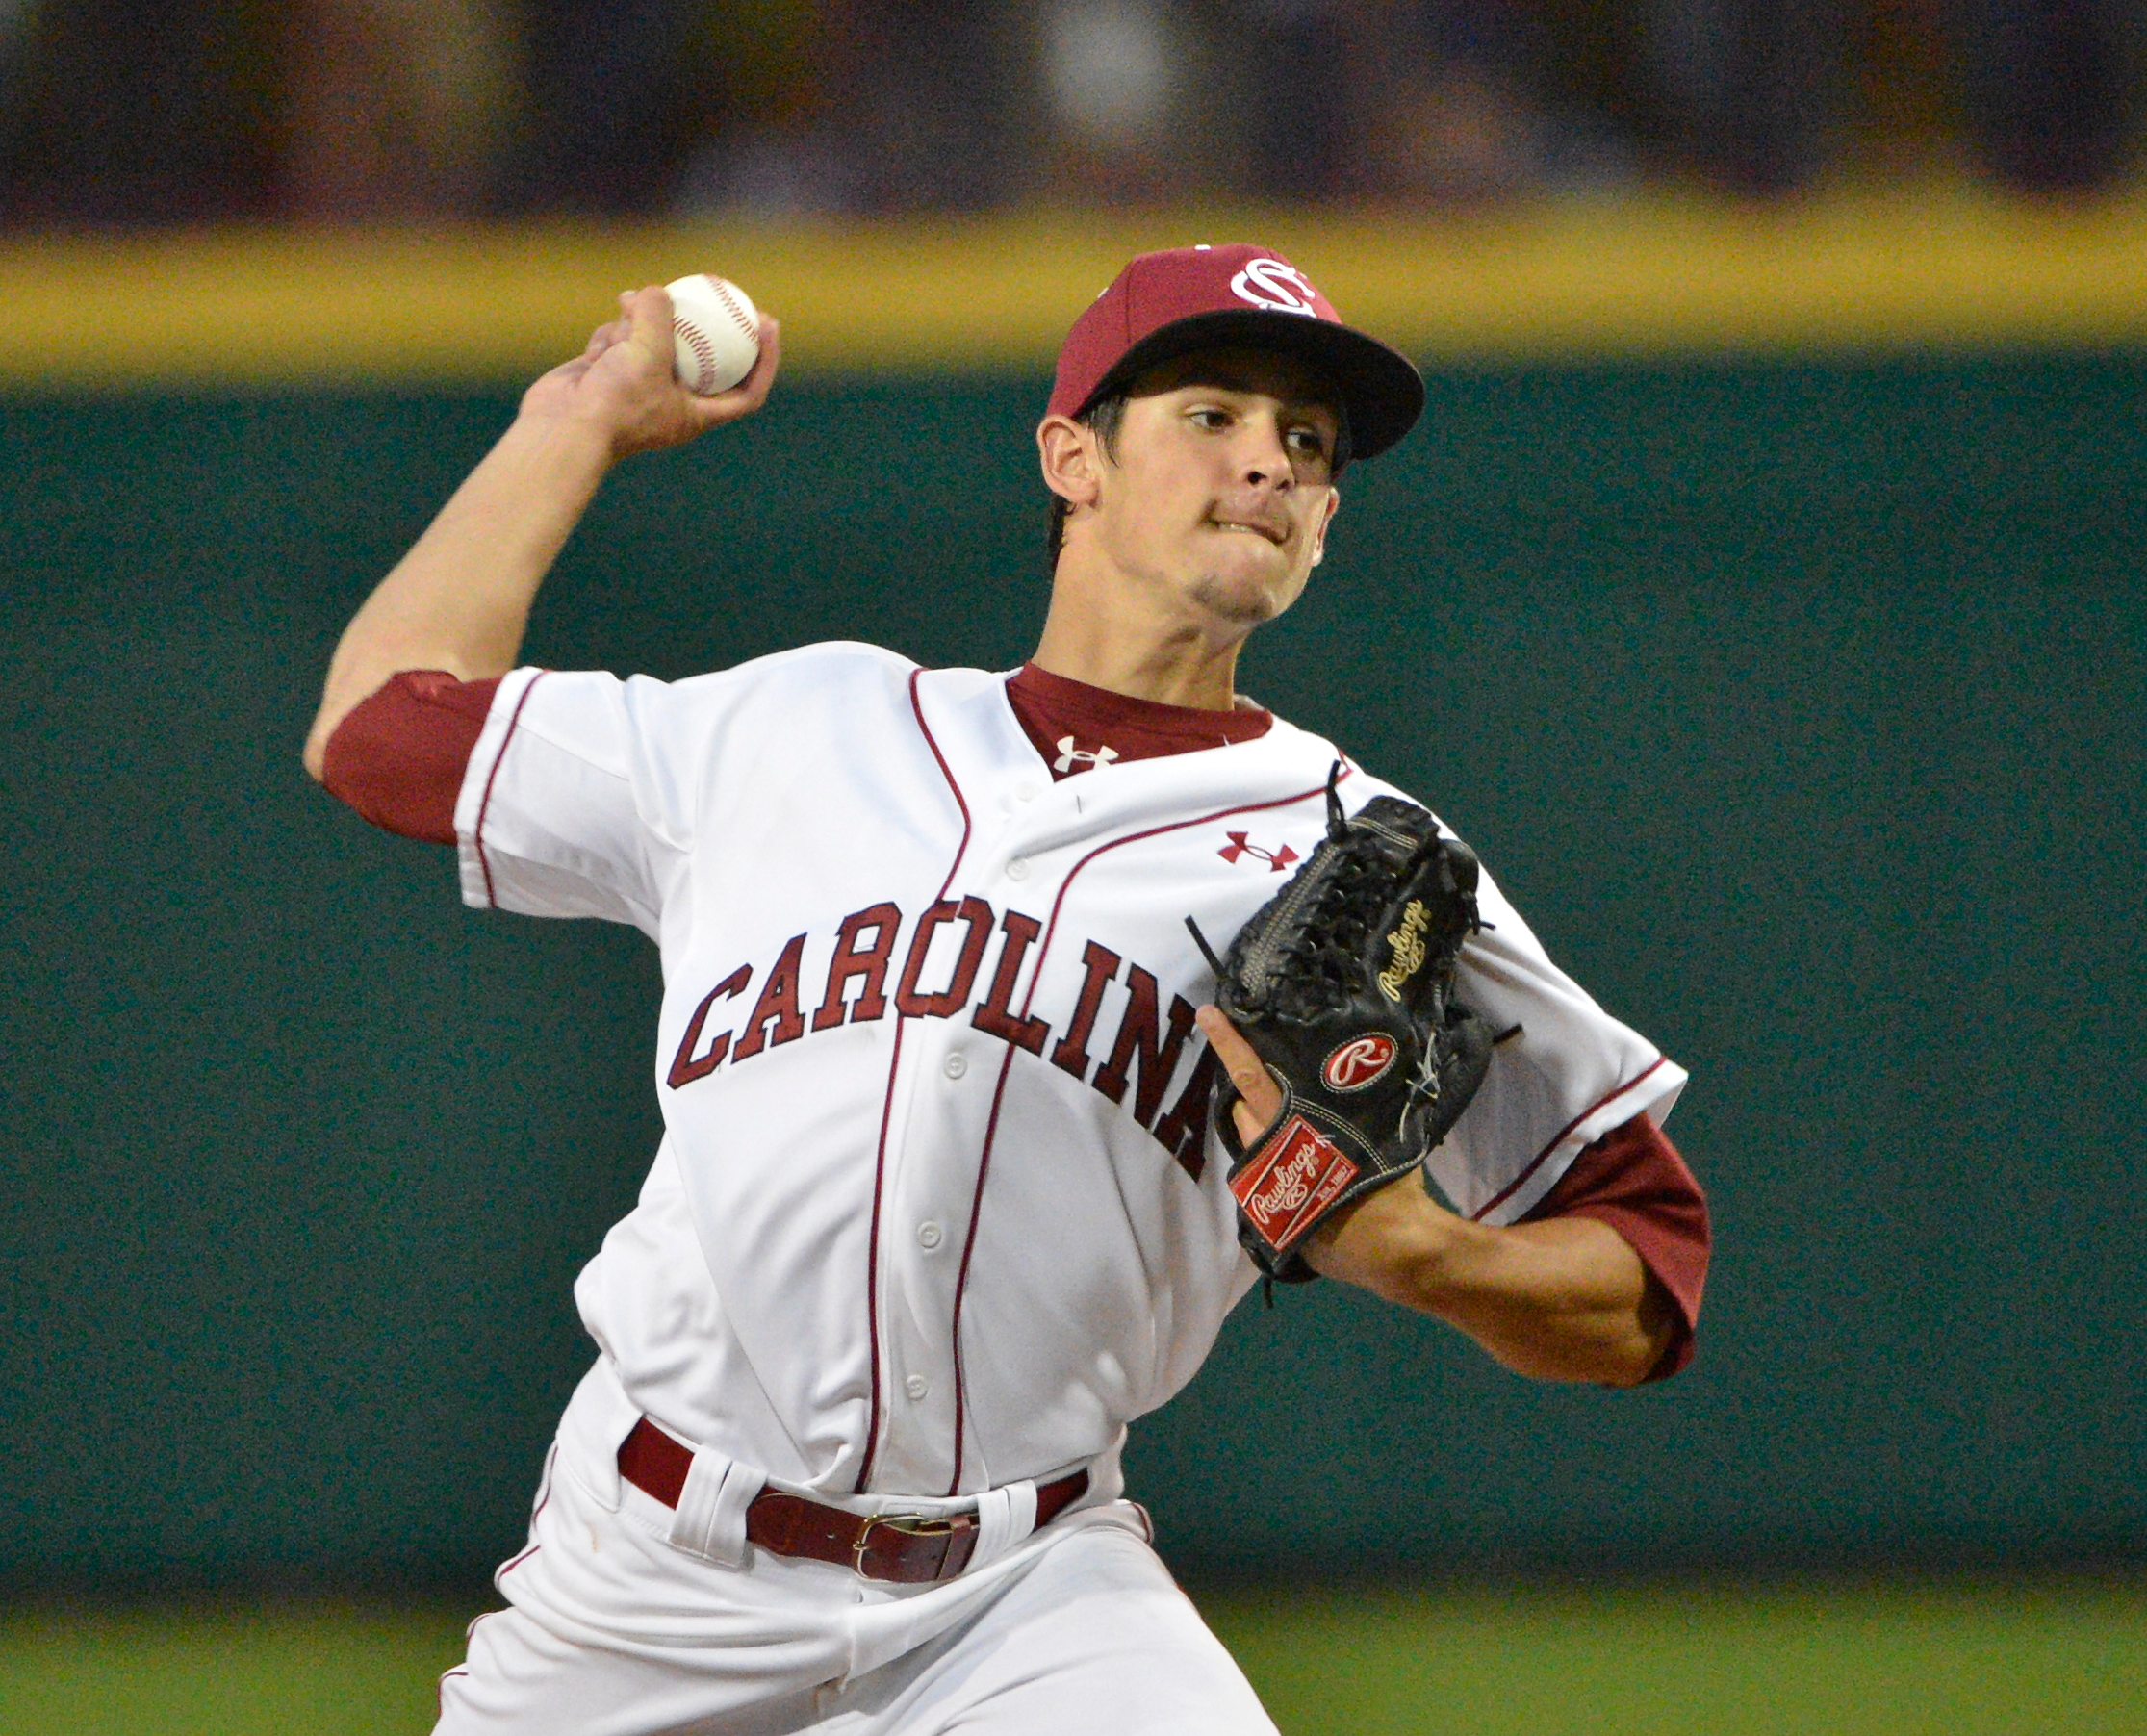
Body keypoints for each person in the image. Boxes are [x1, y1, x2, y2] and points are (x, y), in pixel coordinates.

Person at [305, 243, 1710, 1735]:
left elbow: (1646, 1269)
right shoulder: (792, 727)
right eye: (1212, 415)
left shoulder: (1358, 858)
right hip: (649, 1577)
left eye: (1307, 445)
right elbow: (382, 728)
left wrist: (1426, 1254)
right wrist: (571, 423)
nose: (1268, 465)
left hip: (1024, 1592)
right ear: (1073, 458)